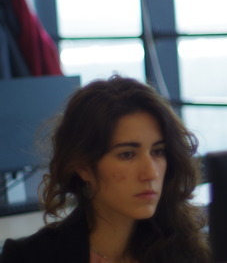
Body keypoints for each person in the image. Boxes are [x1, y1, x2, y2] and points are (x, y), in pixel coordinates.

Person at [0, 75, 210, 263]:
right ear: (82, 166)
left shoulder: (193, 251)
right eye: (127, 155)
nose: (151, 173)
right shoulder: (28, 257)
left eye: (158, 152)